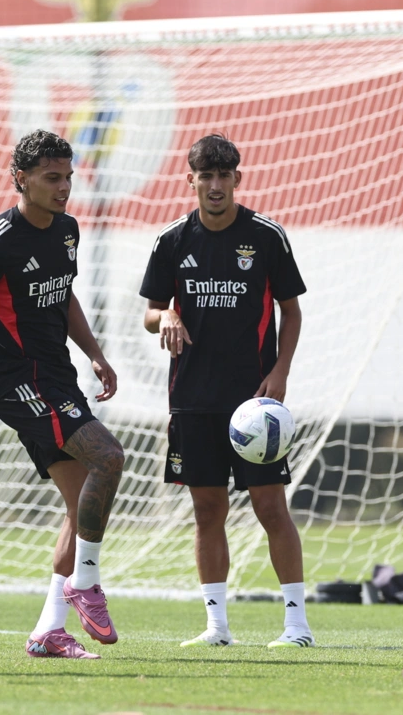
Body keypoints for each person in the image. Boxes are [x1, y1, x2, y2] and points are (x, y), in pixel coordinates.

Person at [0, 129, 124, 660]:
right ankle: (86, 583)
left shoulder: (66, 229)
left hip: (59, 377)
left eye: (68, 177)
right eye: (52, 178)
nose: (64, 187)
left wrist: (94, 351)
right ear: (20, 179)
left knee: (79, 507)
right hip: (18, 382)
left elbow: (62, 295)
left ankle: (49, 629)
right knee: (109, 456)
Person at [138, 134, 312, 648]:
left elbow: (291, 308)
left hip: (255, 403)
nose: (215, 186)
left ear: (238, 178)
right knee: (207, 511)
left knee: (271, 509)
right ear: (189, 179)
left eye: (224, 176)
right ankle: (216, 627)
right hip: (192, 397)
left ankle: (297, 626)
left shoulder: (266, 236)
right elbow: (149, 314)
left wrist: (280, 371)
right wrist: (166, 313)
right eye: (205, 176)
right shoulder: (170, 241)